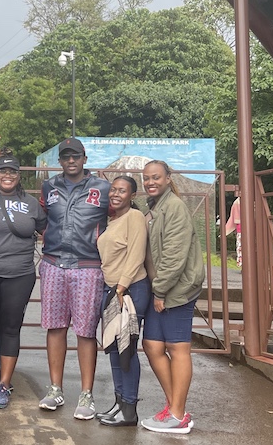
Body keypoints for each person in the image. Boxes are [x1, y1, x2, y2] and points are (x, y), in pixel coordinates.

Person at [38, 137, 110, 420]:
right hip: (54, 263)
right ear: (60, 160)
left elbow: (118, 219)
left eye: (76, 156)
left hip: (88, 266)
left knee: (85, 330)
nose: (71, 160)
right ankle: (55, 389)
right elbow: (43, 219)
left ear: (84, 159)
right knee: (55, 327)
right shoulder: (50, 186)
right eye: (66, 156)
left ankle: (86, 394)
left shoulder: (102, 188)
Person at [0, 152, 46, 410]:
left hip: (20, 273)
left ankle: (4, 384)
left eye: (12, 172)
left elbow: (47, 231)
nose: (7, 176)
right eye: (3, 171)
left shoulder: (31, 203)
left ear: (19, 175)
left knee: (10, 328)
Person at [139, 160, 205, 434]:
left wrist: (161, 291)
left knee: (178, 349)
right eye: (146, 179)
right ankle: (174, 406)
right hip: (162, 290)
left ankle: (177, 414)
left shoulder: (174, 207)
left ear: (168, 178)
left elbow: (174, 256)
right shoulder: (155, 207)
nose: (150, 182)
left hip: (177, 290)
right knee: (153, 345)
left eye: (156, 177)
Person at [96, 175, 149, 427]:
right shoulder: (113, 219)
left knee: (126, 350)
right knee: (114, 350)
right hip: (112, 290)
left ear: (132, 195)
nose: (116, 194)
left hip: (129, 290)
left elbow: (137, 253)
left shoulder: (135, 218)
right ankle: (119, 403)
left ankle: (130, 409)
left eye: (122, 191)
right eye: (113, 190)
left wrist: (122, 286)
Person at [224, 195, 242, 268]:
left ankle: (241, 263)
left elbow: (233, 218)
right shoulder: (238, 202)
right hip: (242, 228)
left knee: (240, 247)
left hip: (240, 229)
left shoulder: (236, 202)